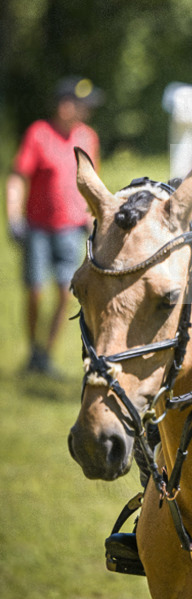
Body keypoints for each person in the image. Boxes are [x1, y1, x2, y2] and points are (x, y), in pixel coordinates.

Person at [6, 76, 103, 376]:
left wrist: (93, 215)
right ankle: (34, 348)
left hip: (70, 228)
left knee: (65, 291)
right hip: (37, 227)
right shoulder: (39, 134)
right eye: (81, 105)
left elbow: (92, 183)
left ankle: (45, 353)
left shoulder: (88, 137)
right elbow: (18, 177)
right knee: (34, 289)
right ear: (64, 105)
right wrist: (13, 216)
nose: (86, 111)